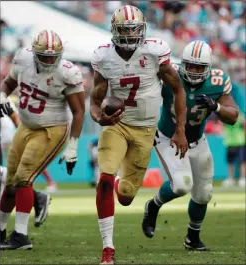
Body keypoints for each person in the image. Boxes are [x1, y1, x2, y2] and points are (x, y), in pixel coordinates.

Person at [90, 5, 188, 264]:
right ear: (114, 30)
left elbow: (178, 89)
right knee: (105, 179)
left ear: (142, 30)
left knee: (125, 197)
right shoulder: (104, 57)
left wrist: (180, 130)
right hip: (117, 126)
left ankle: (123, 181)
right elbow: (94, 99)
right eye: (125, 29)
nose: (131, 34)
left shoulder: (154, 52)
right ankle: (108, 249)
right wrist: (99, 117)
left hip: (145, 129)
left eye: (134, 29)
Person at [142, 40, 239, 251]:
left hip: (197, 140)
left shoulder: (217, 81)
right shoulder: (170, 74)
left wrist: (217, 106)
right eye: (190, 65)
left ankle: (192, 238)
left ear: (208, 68)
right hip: (169, 138)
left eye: (199, 67)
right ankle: (153, 205)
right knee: (182, 184)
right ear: (182, 63)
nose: (194, 71)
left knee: (204, 194)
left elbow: (233, 116)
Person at [0, 29, 85, 250]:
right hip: (26, 126)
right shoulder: (23, 58)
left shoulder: (67, 72)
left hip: (52, 129)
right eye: (44, 56)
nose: (49, 60)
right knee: (9, 184)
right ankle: (0, 233)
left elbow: (78, 111)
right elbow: (8, 84)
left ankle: (21, 237)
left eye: (53, 56)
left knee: (23, 178)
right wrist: (2, 97)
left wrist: (73, 146)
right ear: (34, 52)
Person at [0, 98, 51, 229]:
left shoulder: (3, 97)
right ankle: (38, 197)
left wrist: (22, 138)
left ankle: (37, 197)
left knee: (10, 176)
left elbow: (13, 115)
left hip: (7, 138)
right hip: (7, 138)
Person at [0, 97, 58, 193]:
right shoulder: (6, 98)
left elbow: (15, 117)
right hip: (9, 135)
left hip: (7, 136)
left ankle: (47, 184)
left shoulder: (4, 98)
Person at [223, 112, 245, 188]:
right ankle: (230, 179)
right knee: (230, 162)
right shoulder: (225, 115)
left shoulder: (240, 115)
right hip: (230, 141)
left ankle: (242, 179)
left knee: (242, 161)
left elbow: (244, 125)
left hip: (240, 141)